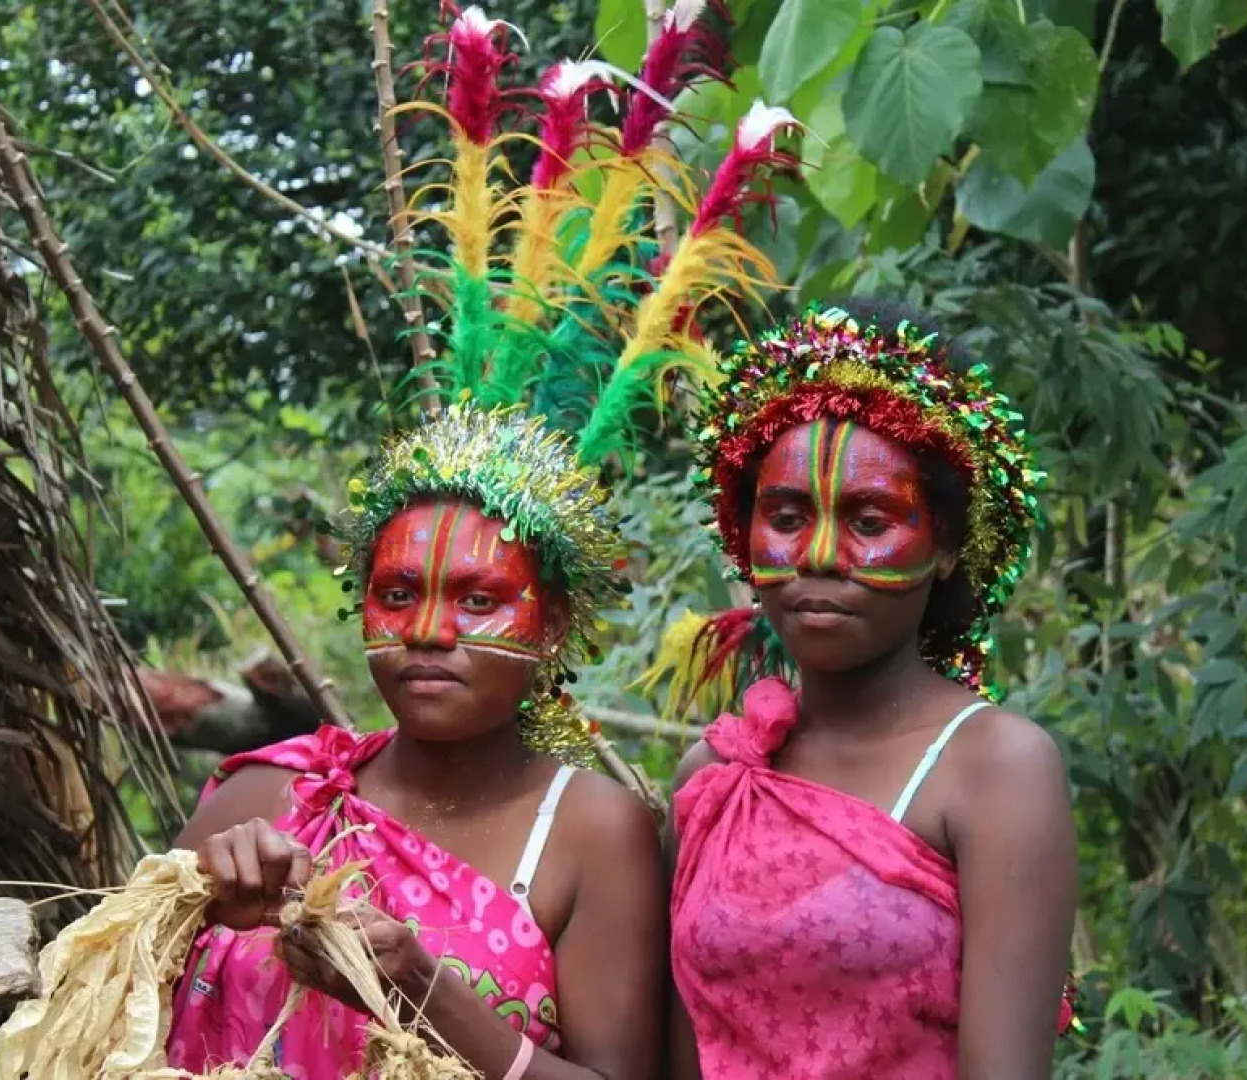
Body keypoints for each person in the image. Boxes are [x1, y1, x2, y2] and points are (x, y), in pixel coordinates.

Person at [160, 4, 793, 1078]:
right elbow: (97, 1009)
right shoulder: (264, 795)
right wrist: (189, 904)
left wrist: (427, 991)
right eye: (396, 592)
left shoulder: (593, 834)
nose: (428, 631)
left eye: (480, 598)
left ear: (553, 625)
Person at [653, 299, 1079, 1079]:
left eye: (870, 520)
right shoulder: (713, 779)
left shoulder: (995, 769)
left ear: (945, 546)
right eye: (786, 517)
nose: (818, 554)